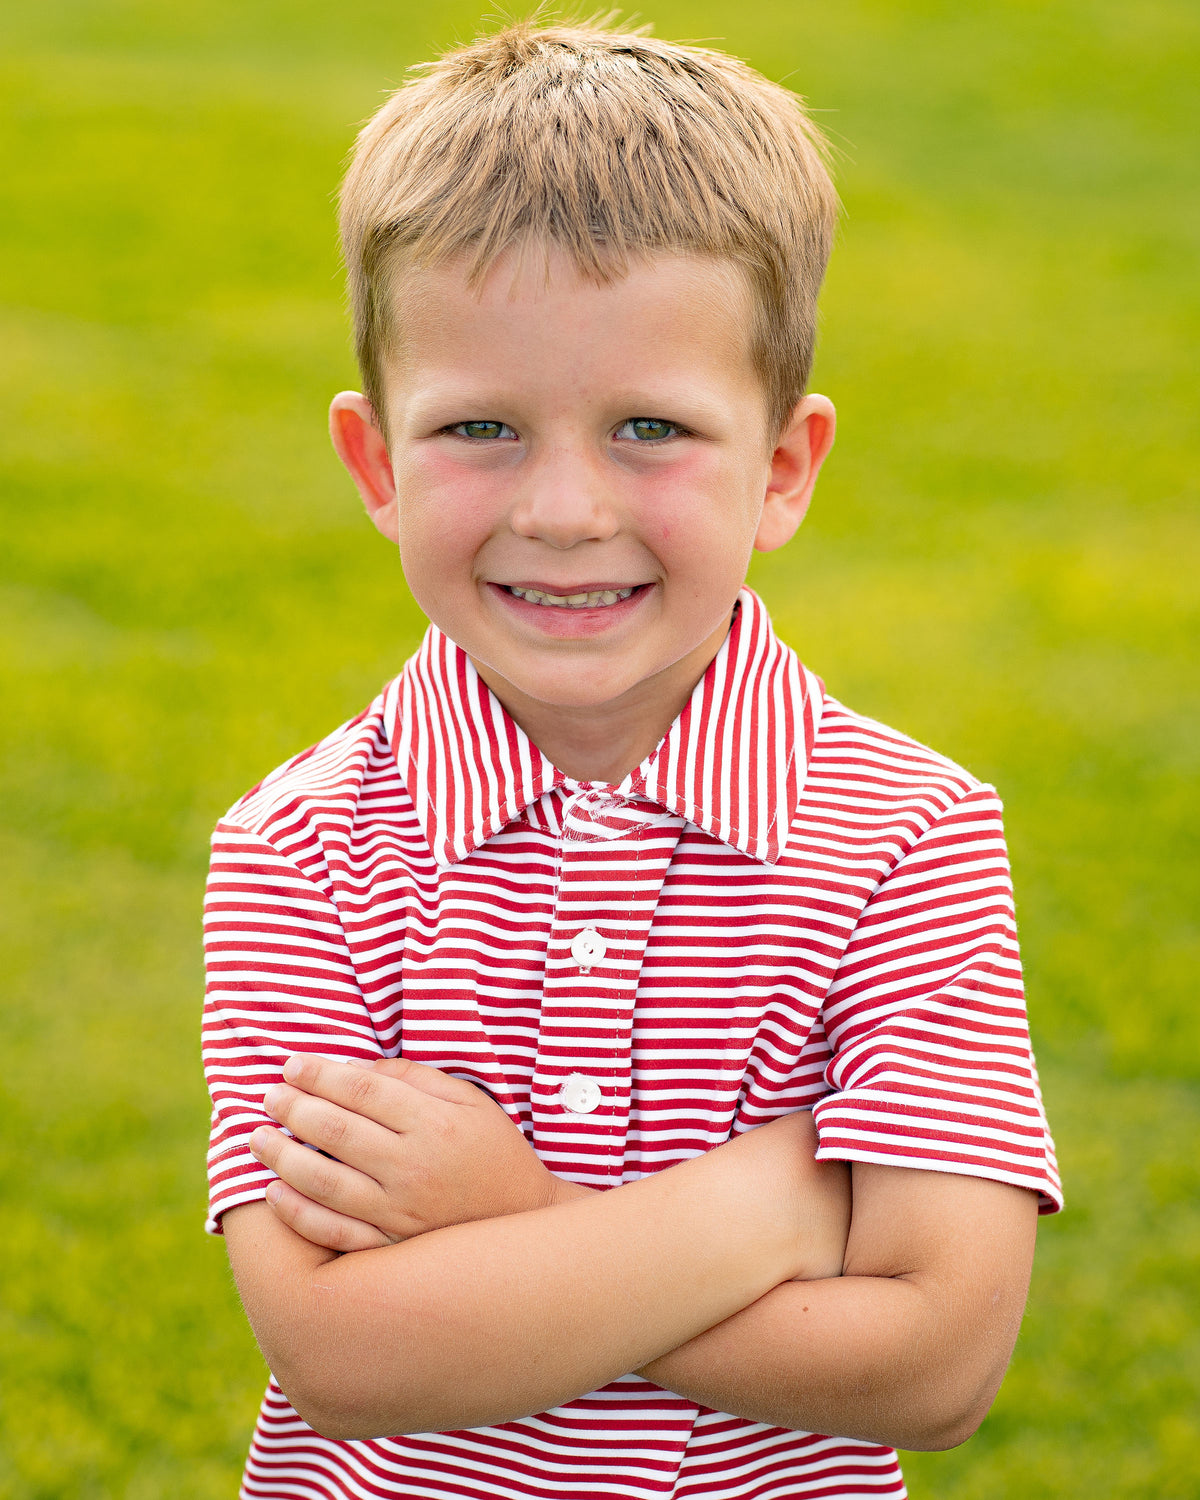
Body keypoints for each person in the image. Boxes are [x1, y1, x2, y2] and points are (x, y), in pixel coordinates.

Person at [203, 17, 1062, 1500]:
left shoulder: (908, 835)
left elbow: (937, 1364)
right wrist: (767, 1210)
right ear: (377, 464)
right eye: (480, 426)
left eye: (651, 429)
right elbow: (345, 1356)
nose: (562, 509)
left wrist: (516, 1212)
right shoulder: (299, 847)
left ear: (783, 467)